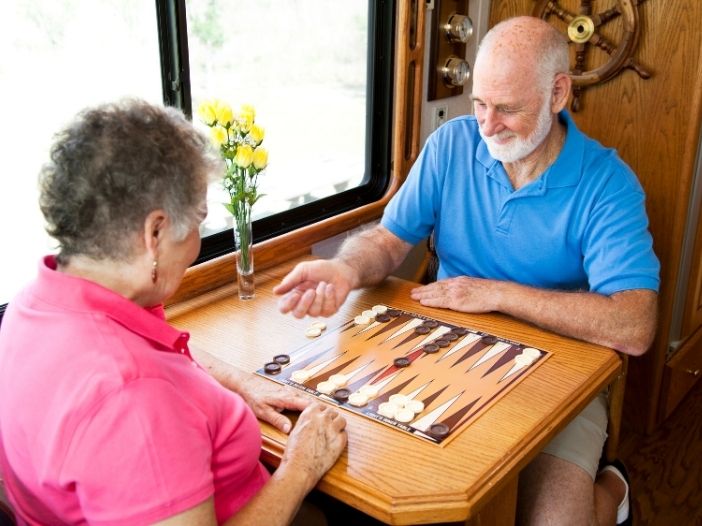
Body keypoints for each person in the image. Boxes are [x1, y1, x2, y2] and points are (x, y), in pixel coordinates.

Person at [274, 16, 659, 526]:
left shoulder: (609, 183)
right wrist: (344, 270)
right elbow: (389, 242)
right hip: (438, 346)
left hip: (563, 372)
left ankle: (612, 488)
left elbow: (634, 327)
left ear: (558, 93)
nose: (486, 125)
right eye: (479, 103)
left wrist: (497, 294)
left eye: (507, 109)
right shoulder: (451, 145)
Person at [0, 99, 347, 525]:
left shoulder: (32, 304)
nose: (198, 238)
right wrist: (300, 469)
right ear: (155, 232)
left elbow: (157, 353)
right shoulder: (134, 400)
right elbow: (137, 388)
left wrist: (237, 382)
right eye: (199, 219)